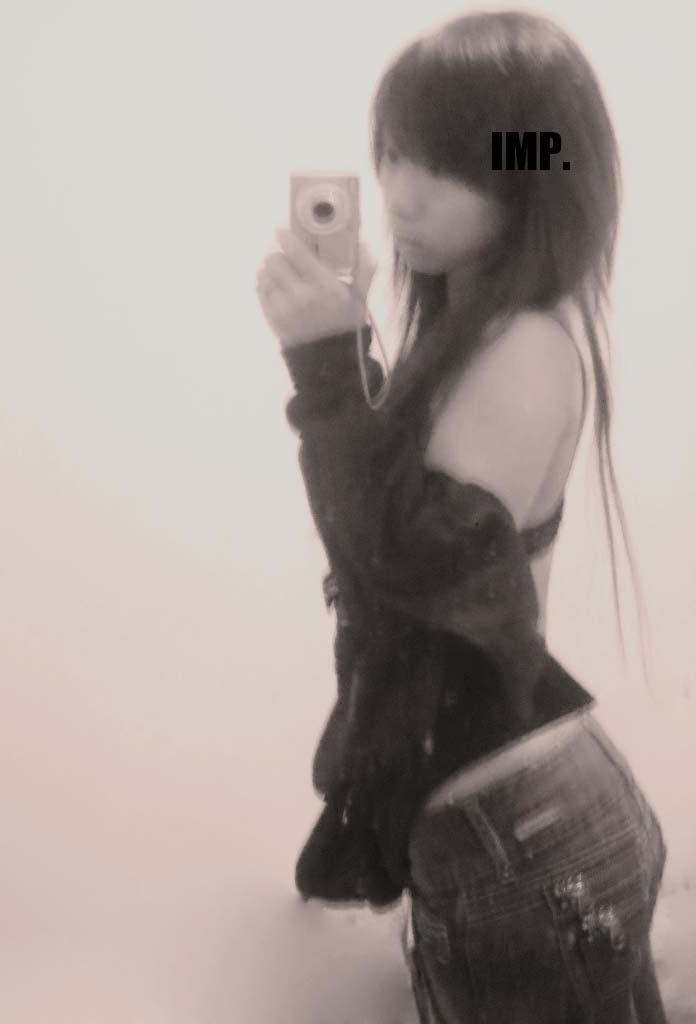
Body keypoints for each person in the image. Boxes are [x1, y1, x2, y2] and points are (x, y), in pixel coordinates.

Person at [256, 10, 668, 1023]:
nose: (402, 192)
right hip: (521, 832)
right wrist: (350, 354)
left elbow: (409, 570)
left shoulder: (525, 346)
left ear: (529, 169)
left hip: (524, 845)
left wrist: (325, 369)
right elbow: (401, 533)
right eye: (395, 154)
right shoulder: (485, 334)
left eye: (446, 164)